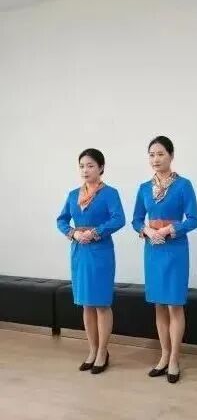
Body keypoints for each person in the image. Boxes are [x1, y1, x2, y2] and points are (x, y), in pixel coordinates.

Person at [132, 136, 197, 383]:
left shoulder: (184, 185)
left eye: (160, 154)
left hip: (175, 249)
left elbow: (193, 219)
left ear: (171, 155)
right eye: (151, 155)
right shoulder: (143, 188)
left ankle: (175, 359)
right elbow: (136, 220)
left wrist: (170, 230)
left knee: (174, 304)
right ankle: (164, 355)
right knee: (158, 304)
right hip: (153, 249)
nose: (155, 159)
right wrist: (147, 231)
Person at [57, 148, 125, 374]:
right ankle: (92, 350)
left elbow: (119, 219)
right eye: (82, 166)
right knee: (86, 303)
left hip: (100, 251)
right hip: (80, 251)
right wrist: (73, 233)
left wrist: (96, 232)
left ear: (101, 168)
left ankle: (103, 352)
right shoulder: (73, 194)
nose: (85, 170)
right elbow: (61, 220)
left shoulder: (110, 193)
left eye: (90, 166)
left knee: (102, 303)